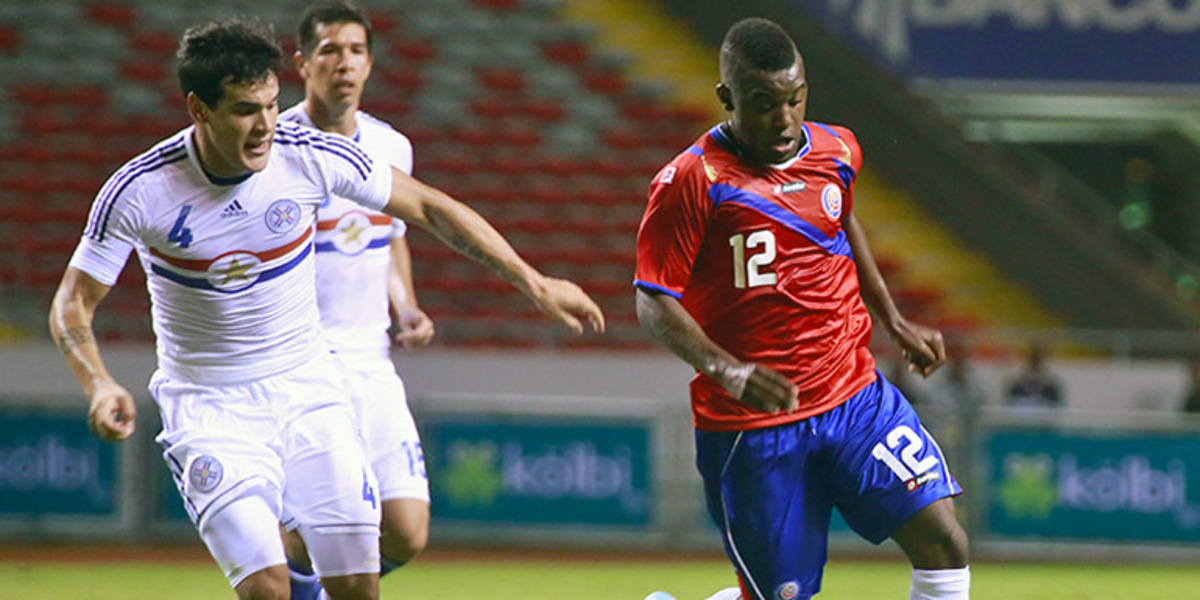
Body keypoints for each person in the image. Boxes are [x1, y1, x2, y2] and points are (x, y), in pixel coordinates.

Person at [48, 17, 603, 600]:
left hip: (311, 390)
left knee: (360, 583)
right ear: (199, 109)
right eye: (243, 110)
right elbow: (73, 303)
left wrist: (534, 281)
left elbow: (432, 208)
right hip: (211, 407)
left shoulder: (306, 155)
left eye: (270, 104)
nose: (264, 125)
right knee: (267, 589)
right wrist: (99, 384)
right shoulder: (140, 191)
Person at [634, 17, 969, 600]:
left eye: (795, 99)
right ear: (727, 98)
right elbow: (652, 300)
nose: (785, 120)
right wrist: (729, 370)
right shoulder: (693, 180)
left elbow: (839, 218)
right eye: (764, 104)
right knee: (781, 595)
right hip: (756, 426)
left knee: (943, 542)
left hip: (855, 397)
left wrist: (891, 319)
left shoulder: (838, 148)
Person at [276, 2, 432, 598]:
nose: (345, 63)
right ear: (303, 63)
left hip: (372, 362)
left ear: (370, 64)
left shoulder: (393, 147)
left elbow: (389, 239)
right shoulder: (276, 146)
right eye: (330, 51)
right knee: (313, 533)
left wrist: (407, 307)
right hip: (306, 368)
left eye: (356, 51)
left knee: (406, 532)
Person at [1004, 343, 1063, 411]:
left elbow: (1056, 407)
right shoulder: (1017, 387)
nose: (1034, 364)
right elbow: (1009, 404)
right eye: (1032, 360)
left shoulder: (1050, 388)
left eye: (1037, 360)